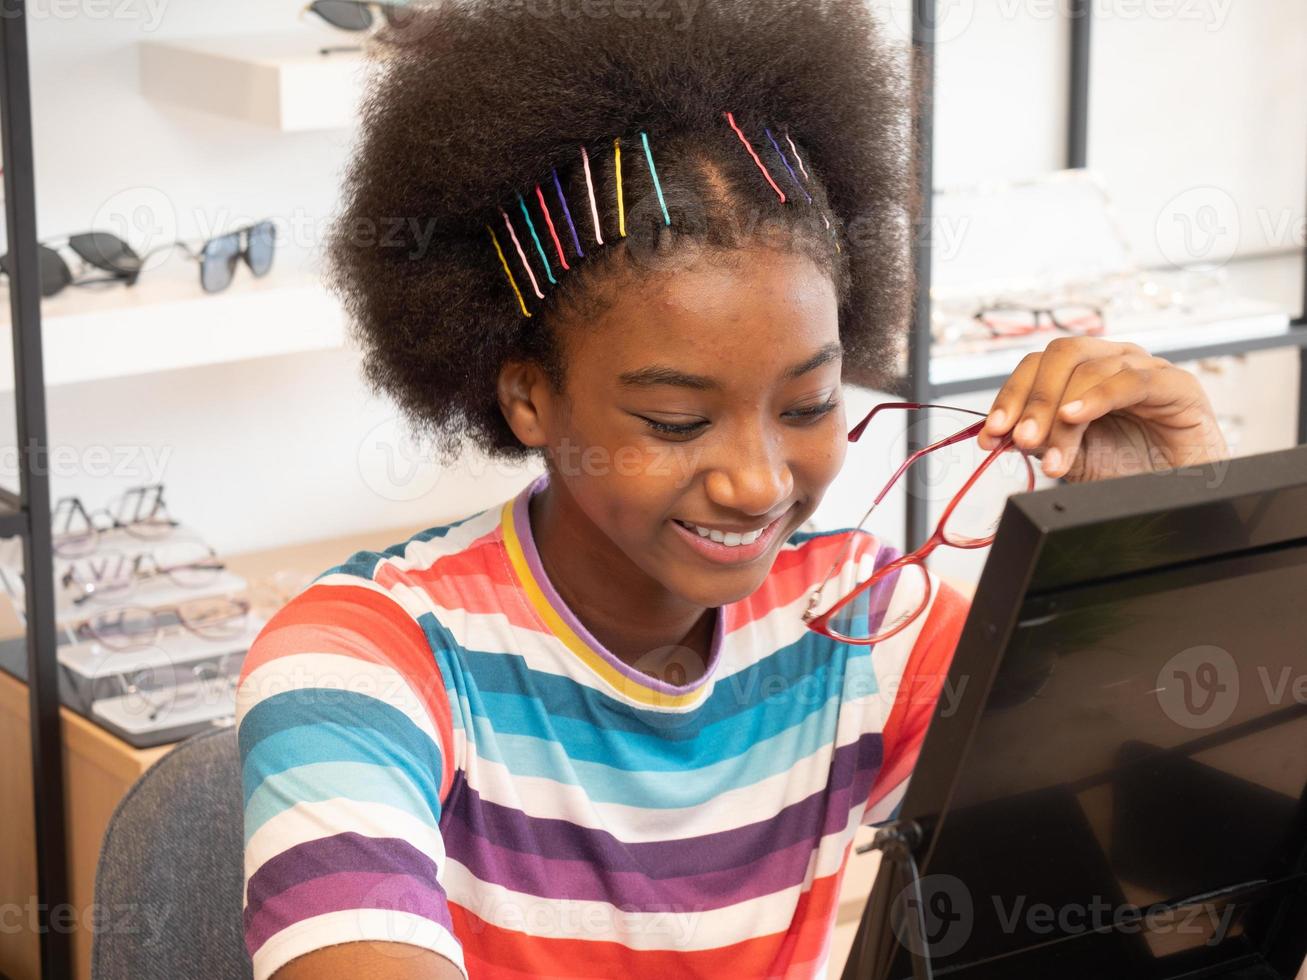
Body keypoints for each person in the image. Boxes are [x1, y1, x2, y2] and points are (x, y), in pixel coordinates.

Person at [234, 1, 1230, 977]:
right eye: (674, 421)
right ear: (529, 396)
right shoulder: (364, 660)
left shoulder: (856, 627)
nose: (755, 481)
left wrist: (1163, 533)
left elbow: (1179, 837)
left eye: (806, 404)